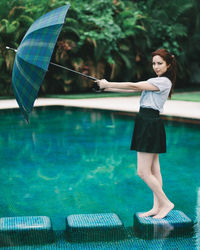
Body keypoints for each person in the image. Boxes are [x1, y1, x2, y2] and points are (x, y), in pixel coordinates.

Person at [96, 48, 176, 219]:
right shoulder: (156, 80)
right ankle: (157, 207)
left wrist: (109, 83)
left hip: (149, 123)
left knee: (143, 172)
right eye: (154, 63)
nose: (156, 66)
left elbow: (134, 85)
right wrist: (106, 87)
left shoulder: (163, 82)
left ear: (168, 65)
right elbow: (131, 90)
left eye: (160, 63)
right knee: (155, 170)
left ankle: (166, 203)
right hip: (147, 122)